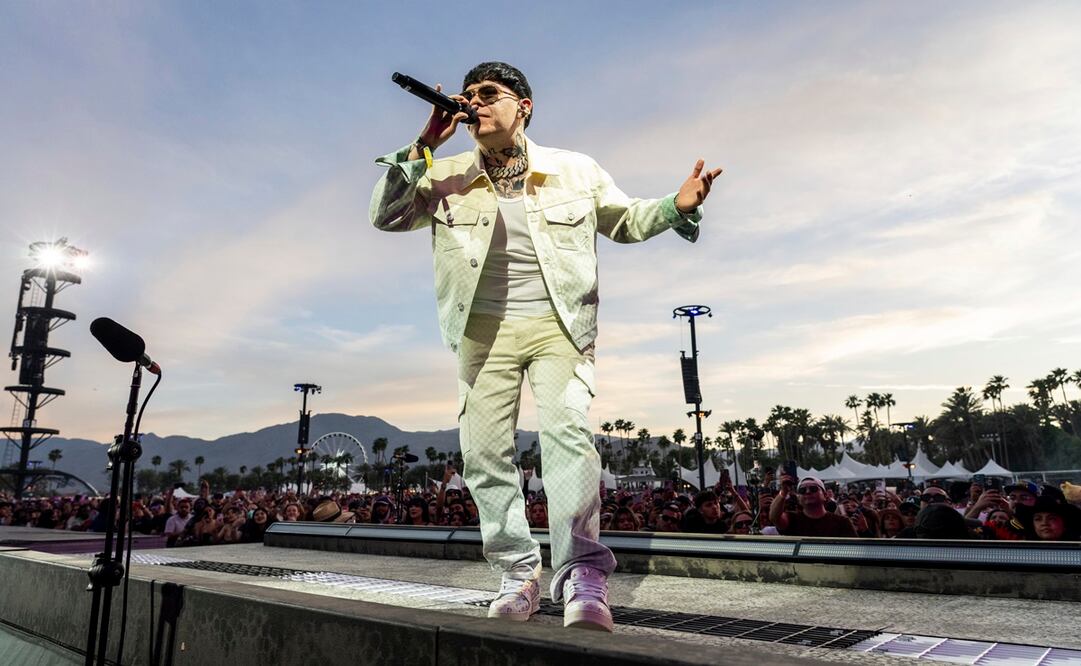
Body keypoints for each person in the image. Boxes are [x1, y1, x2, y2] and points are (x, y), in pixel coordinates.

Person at [370, 61, 721, 632]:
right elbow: (386, 215)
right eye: (469, 95)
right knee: (483, 455)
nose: (475, 103)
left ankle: (582, 573)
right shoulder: (445, 172)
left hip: (559, 325)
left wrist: (676, 206)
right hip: (481, 332)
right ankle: (517, 573)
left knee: (568, 439)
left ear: (523, 106)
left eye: (490, 94)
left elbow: (626, 221)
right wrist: (425, 142)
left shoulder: (574, 170)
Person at [770, 477, 857, 538]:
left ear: (825, 495)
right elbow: (774, 517)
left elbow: (854, 550)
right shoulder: (792, 519)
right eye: (802, 490)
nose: (807, 492)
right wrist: (784, 491)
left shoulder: (842, 522)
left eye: (813, 489)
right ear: (798, 497)